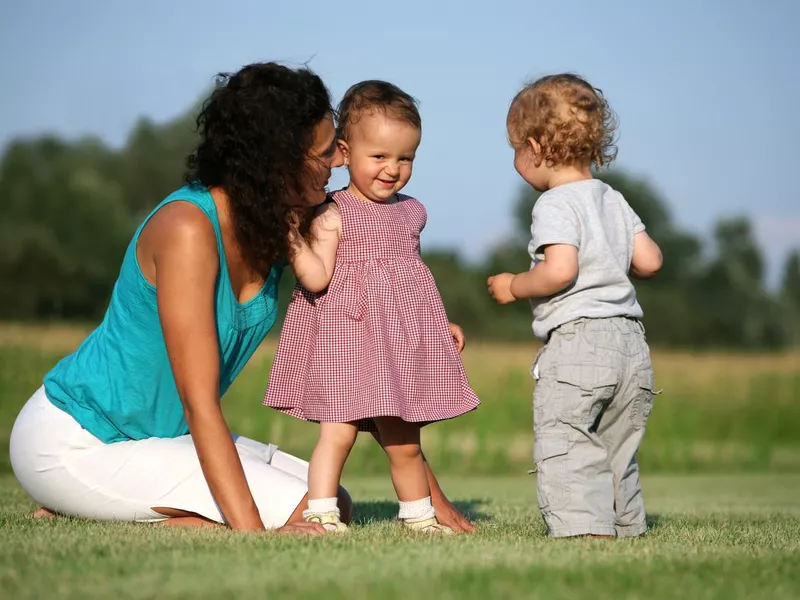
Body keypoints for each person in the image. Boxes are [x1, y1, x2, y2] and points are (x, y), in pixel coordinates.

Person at [9, 63, 473, 536]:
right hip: (80, 438)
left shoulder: (281, 225)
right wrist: (253, 536)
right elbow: (198, 402)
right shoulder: (188, 229)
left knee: (335, 502)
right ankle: (88, 501)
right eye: (323, 151)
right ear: (276, 162)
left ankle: (100, 505)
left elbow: (364, 359)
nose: (338, 162)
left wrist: (433, 499)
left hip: (159, 437)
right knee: (299, 515)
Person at [264, 81, 480, 533]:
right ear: (344, 151)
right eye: (379, 156)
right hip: (347, 337)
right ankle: (321, 510)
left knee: (404, 440)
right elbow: (317, 278)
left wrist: (441, 324)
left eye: (405, 158)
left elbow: (413, 280)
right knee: (338, 431)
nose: (392, 169)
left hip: (398, 343)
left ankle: (418, 516)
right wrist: (290, 233)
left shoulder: (412, 212)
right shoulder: (331, 211)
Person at [487, 74, 663, 538]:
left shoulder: (554, 203)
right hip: (631, 345)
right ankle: (626, 527)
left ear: (534, 147)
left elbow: (559, 270)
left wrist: (514, 285)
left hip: (579, 341)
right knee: (617, 447)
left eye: (514, 150)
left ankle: (583, 532)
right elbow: (650, 260)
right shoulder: (613, 198)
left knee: (567, 437)